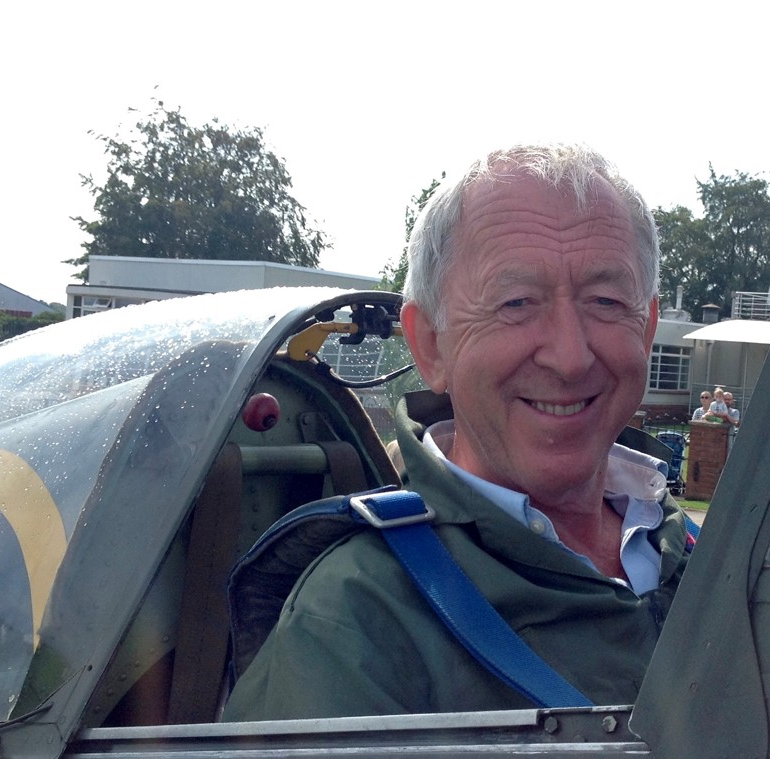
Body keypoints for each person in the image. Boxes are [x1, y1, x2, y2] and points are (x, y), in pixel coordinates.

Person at [224, 143, 692, 720]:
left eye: (605, 300)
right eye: (516, 302)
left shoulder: (698, 551)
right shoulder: (356, 623)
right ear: (431, 346)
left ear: (645, 331)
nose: (570, 357)